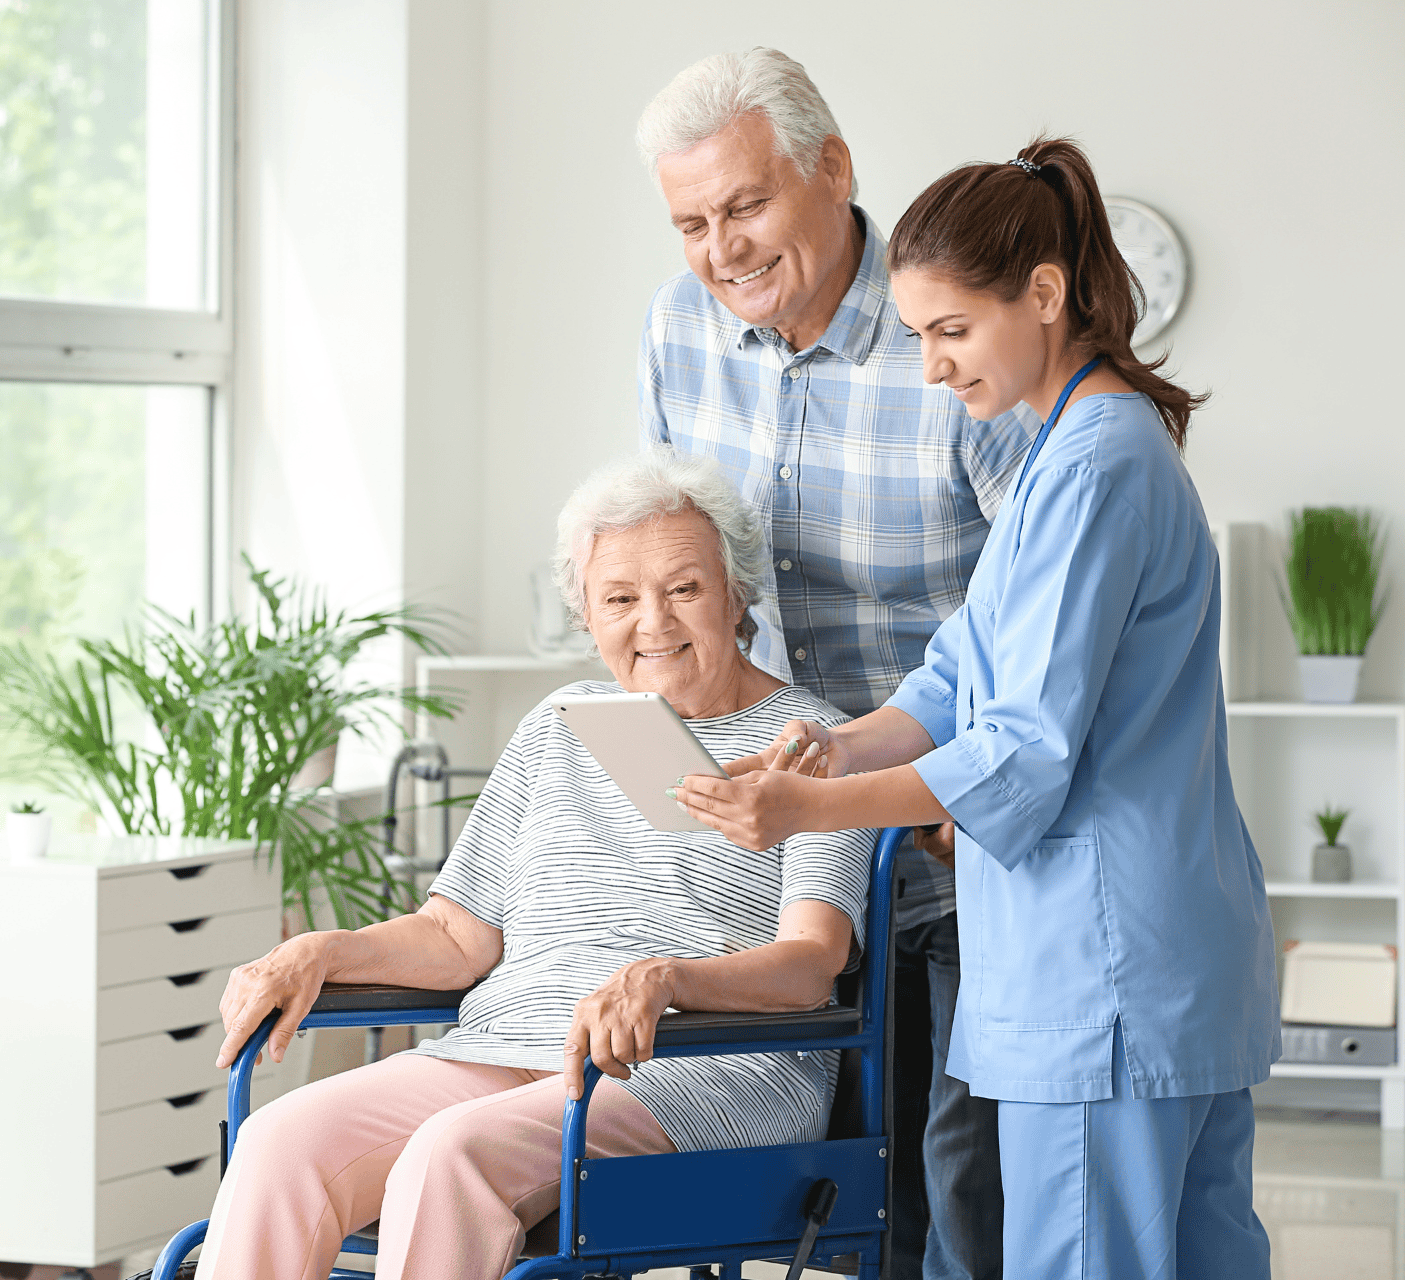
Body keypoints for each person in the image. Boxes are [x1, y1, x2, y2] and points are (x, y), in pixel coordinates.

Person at [675, 136, 1280, 1276]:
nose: (934, 369)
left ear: (1044, 295)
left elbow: (1020, 751)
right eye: (915, 337)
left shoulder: (1095, 463)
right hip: (1163, 965)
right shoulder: (1068, 450)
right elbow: (958, 673)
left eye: (952, 331)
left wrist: (818, 808)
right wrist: (827, 745)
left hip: (1102, 973)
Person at [192, 451, 876, 1280]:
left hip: (698, 1066)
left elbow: (810, 966)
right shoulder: (561, 723)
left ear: (738, 596)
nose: (652, 622)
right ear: (586, 614)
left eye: (684, 589)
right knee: (280, 1141)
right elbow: (456, 935)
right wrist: (320, 951)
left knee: (451, 1154)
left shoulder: (816, 745)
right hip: (507, 1046)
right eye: (619, 599)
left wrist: (670, 980)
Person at [634, 47, 1035, 1280]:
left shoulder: (953, 335)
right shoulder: (679, 330)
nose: (723, 249)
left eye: (746, 205)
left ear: (835, 169)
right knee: (835, 1194)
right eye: (693, 222)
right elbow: (679, 568)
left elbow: (1043, 601)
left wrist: (958, 792)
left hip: (953, 832)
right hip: (790, 851)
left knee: (963, 1191)